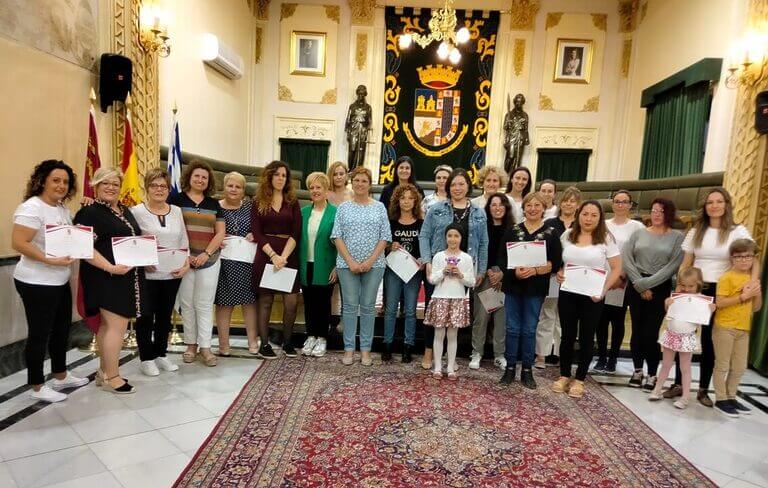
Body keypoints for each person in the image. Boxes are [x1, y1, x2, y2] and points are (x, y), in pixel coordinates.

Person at [668, 187, 754, 407]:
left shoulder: (738, 230)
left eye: (719, 201)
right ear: (705, 207)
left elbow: (753, 257)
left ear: (726, 204)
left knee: (710, 341)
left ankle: (704, 388)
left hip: (723, 290)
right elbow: (686, 261)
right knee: (684, 335)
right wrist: (680, 288)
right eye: (709, 202)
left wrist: (752, 283)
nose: (714, 206)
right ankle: (679, 383)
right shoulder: (697, 230)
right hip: (694, 288)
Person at [12, 160, 89, 402]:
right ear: (43, 180)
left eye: (65, 182)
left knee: (61, 330)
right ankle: (36, 386)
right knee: (39, 333)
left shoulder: (62, 209)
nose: (61, 185)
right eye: (56, 180)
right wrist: (50, 260)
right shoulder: (31, 208)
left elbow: (67, 238)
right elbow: (19, 243)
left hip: (59, 279)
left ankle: (61, 374)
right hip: (36, 281)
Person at [75, 167, 147, 394]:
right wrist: (110, 268)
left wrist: (146, 258)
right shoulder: (89, 212)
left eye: (115, 184)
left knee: (109, 327)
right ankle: (112, 377)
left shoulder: (125, 210)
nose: (110, 187)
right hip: (105, 277)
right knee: (117, 327)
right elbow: (83, 247)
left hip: (126, 277)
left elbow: (134, 240)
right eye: (105, 183)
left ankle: (102, 372)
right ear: (96, 186)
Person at [552, 200, 622, 398]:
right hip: (568, 292)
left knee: (586, 337)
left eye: (593, 215)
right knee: (567, 335)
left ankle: (580, 379)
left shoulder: (606, 238)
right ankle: (564, 375)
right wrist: (559, 272)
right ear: (578, 215)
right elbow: (560, 262)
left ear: (600, 218)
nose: (588, 218)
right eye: (585, 214)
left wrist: (604, 289)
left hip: (593, 295)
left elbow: (617, 268)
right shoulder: (568, 235)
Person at [420, 168, 488, 370]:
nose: (457, 188)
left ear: (468, 186)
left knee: (454, 318)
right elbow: (424, 235)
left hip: (464, 271)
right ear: (448, 187)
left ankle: (449, 360)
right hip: (438, 268)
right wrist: (427, 261)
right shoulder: (436, 208)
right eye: (454, 184)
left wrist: (480, 271)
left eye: (461, 183)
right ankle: (429, 354)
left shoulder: (478, 212)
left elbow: (483, 243)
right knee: (435, 316)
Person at [498, 192, 562, 389]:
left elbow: (555, 262)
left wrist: (535, 270)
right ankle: (510, 368)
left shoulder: (551, 233)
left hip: (535, 289)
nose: (533, 208)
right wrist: (514, 272)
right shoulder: (512, 231)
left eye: (537, 205)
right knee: (512, 328)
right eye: (529, 205)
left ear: (544, 208)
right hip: (513, 287)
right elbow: (502, 259)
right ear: (523, 208)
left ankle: (527, 369)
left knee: (528, 329)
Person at [131, 168, 189, 376]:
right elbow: (133, 241)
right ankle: (146, 358)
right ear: (147, 188)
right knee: (145, 317)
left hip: (172, 273)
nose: (159, 189)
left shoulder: (176, 211)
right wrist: (142, 262)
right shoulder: (137, 211)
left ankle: (161, 354)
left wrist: (185, 264)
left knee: (165, 315)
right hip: (147, 274)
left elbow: (183, 239)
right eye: (154, 185)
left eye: (163, 186)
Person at [332, 166, 391, 366]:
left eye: (364, 181)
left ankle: (365, 350)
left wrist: (369, 261)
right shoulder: (343, 208)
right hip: (346, 264)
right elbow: (336, 236)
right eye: (356, 180)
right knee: (349, 307)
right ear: (352, 182)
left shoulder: (379, 207)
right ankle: (349, 349)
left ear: (369, 184)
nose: (360, 184)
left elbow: (385, 237)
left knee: (367, 306)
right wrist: (350, 261)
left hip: (374, 265)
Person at [623, 198, 684, 389]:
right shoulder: (638, 233)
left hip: (659, 288)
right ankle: (637, 370)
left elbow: (673, 266)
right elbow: (627, 259)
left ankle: (651, 374)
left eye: (661, 211)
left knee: (650, 332)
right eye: (654, 210)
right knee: (637, 331)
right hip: (636, 285)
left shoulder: (677, 237)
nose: (657, 214)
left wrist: (646, 284)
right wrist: (639, 285)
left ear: (669, 214)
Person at [170, 161, 226, 367]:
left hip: (209, 260)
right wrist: (187, 255)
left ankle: (205, 347)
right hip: (184, 260)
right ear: (189, 178)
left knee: (204, 304)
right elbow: (173, 229)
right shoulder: (175, 200)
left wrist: (206, 253)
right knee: (187, 304)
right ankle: (191, 345)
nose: (200, 180)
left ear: (208, 181)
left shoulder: (214, 204)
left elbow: (220, 232)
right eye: (197, 176)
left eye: (204, 177)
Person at [251, 161, 302, 359]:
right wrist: (273, 256)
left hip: (288, 254)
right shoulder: (258, 201)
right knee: (265, 301)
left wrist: (283, 257)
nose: (281, 178)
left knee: (291, 302)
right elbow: (256, 232)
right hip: (266, 254)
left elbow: (296, 233)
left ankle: (287, 343)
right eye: (277, 174)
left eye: (284, 175)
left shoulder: (293, 201)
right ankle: (265, 344)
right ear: (269, 176)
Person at [592, 190, 645, 375]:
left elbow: (637, 254)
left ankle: (613, 357)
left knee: (617, 319)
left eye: (624, 202)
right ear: (612, 204)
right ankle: (601, 357)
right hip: (601, 275)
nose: (620, 205)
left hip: (622, 278)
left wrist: (622, 275)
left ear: (630, 205)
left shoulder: (636, 227)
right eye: (617, 201)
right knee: (600, 319)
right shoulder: (603, 224)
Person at [648, 267, 713, 409]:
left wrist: (709, 309)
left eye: (691, 286)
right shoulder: (675, 298)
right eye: (683, 285)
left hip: (686, 338)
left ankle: (685, 398)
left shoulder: (701, 302)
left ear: (699, 284)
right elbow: (669, 313)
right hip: (671, 334)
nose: (687, 289)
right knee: (665, 364)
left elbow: (702, 319)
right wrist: (667, 304)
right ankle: (657, 390)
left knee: (685, 368)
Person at [712, 239, 763, 417]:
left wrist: (756, 293)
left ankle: (731, 396)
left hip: (744, 329)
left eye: (748, 256)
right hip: (725, 327)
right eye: (739, 256)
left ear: (753, 258)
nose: (744, 260)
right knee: (722, 365)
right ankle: (720, 399)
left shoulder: (752, 278)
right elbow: (720, 303)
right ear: (732, 259)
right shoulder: (727, 277)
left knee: (739, 367)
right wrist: (743, 296)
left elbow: (756, 307)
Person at [536, 186, 581, 368]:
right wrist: (556, 268)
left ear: (578, 205)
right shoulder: (549, 223)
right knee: (547, 315)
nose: (568, 204)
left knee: (567, 318)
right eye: (566, 200)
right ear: (559, 203)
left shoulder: (583, 224)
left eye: (573, 201)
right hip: (553, 275)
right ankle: (541, 355)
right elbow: (543, 250)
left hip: (576, 278)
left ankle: (561, 354)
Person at [214, 172, 259, 356]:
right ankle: (224, 344)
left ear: (243, 191)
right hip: (222, 261)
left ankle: (252, 342)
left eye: (238, 187)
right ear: (224, 187)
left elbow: (259, 227)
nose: (233, 190)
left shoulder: (250, 207)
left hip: (246, 261)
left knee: (249, 302)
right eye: (230, 186)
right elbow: (209, 229)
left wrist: (255, 233)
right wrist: (215, 238)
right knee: (224, 303)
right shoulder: (215, 207)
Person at [424, 224, 475, 379]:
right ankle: (438, 366)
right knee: (439, 333)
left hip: (458, 299)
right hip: (440, 298)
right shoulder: (439, 256)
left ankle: (451, 367)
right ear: (445, 238)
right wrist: (443, 272)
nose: (453, 239)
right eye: (450, 236)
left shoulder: (466, 258)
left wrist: (460, 275)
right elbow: (432, 279)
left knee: (453, 335)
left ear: (461, 238)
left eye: (456, 236)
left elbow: (471, 282)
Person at [469, 193, 512, 370]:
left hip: (504, 278)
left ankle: (499, 355)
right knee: (481, 316)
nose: (497, 208)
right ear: (488, 208)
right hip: (484, 275)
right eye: (493, 205)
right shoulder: (481, 227)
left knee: (501, 318)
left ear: (506, 207)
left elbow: (513, 256)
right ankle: (476, 352)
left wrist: (502, 274)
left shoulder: (513, 229)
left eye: (501, 204)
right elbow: (477, 250)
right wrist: (486, 271)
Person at [383, 183, 423, 363]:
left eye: (410, 198)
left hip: (413, 272)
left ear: (415, 201)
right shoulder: (390, 222)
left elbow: (425, 248)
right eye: (402, 198)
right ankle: (387, 345)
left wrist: (423, 259)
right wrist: (390, 246)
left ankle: (408, 346)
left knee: (410, 310)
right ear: (397, 201)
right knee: (391, 309)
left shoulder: (422, 224)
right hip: (393, 271)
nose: (406, 201)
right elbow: (382, 245)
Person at [299, 172, 338, 358]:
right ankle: (311, 335)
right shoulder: (304, 212)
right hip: (306, 264)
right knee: (308, 301)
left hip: (326, 265)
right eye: (312, 188)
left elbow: (341, 241)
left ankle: (322, 337)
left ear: (326, 190)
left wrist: (338, 265)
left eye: (318, 187)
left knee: (323, 302)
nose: (315, 191)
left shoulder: (335, 212)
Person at [345, 85, 373, 169]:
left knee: (361, 151)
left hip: (363, 131)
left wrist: (367, 128)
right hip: (353, 130)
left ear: (365, 94)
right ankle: (350, 169)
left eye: (363, 94)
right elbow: (348, 119)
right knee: (352, 150)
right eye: (359, 94)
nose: (361, 96)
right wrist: (347, 132)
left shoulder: (368, 107)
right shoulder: (352, 106)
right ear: (357, 94)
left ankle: (359, 169)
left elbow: (370, 120)